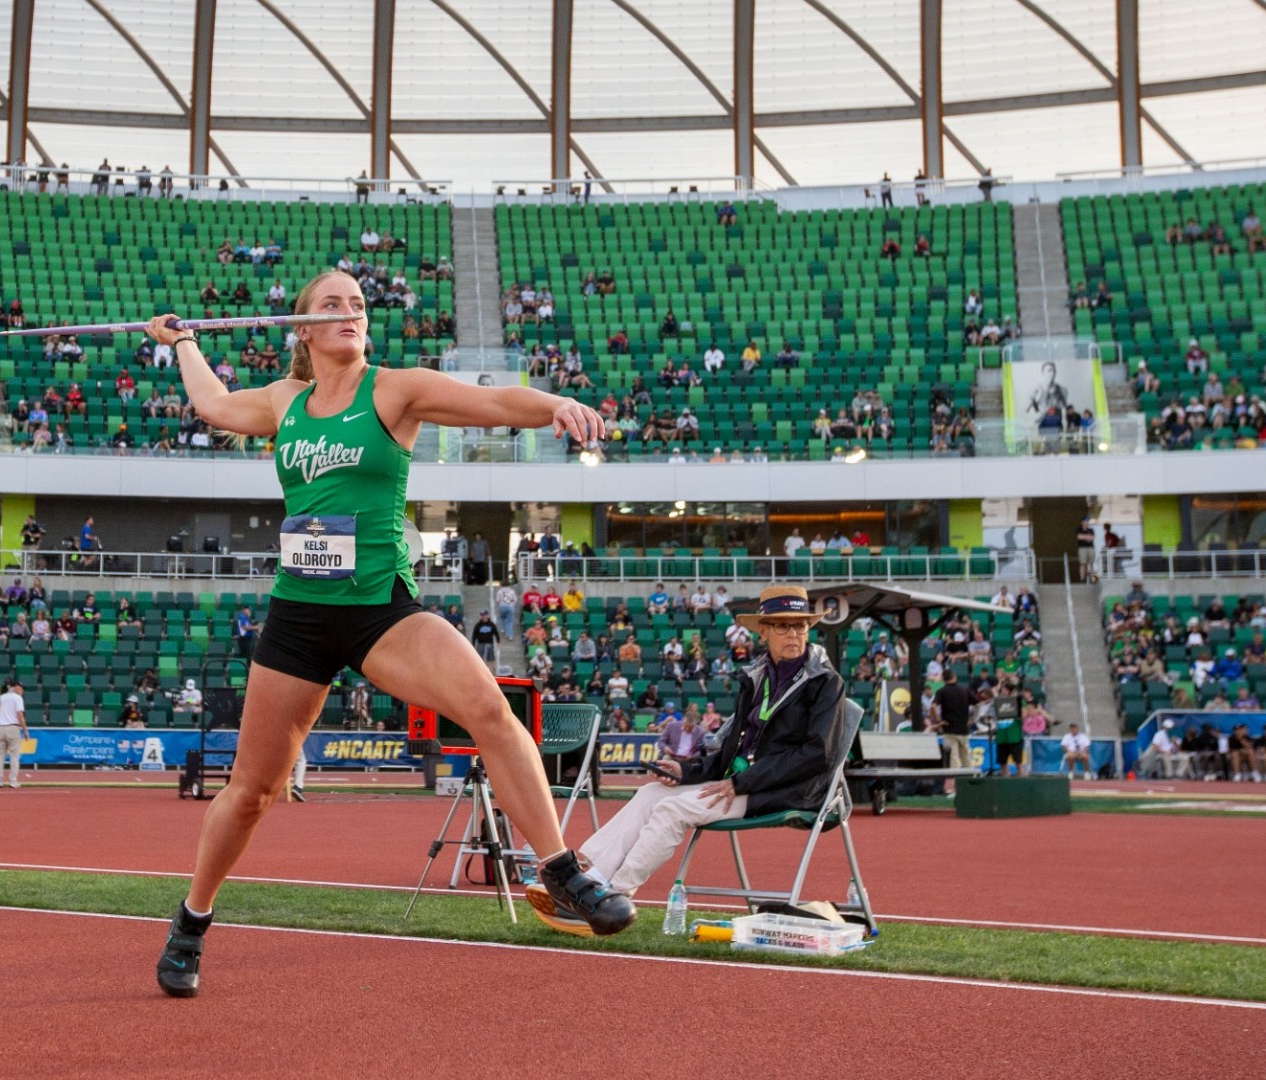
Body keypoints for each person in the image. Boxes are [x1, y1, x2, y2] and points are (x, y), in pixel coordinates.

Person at [144, 269, 629, 996]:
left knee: (492, 711)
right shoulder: (286, 401)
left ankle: (561, 872)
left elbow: (493, 401)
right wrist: (181, 342)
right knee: (252, 791)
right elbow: (212, 403)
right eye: (331, 305)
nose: (350, 312)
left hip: (379, 611)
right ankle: (191, 922)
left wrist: (554, 403)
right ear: (302, 330)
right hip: (298, 617)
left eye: (358, 305)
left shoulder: (394, 390)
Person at [533, 585, 842, 934]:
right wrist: (686, 771)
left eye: (800, 626)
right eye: (783, 626)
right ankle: (588, 877)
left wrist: (742, 782)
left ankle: (611, 895)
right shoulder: (757, 678)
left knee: (672, 810)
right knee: (649, 795)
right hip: (742, 781)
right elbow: (730, 754)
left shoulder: (825, 682)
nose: (794, 634)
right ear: (764, 631)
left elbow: (818, 754)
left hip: (786, 789)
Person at [932, 668, 972, 791]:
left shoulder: (942, 691)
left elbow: (933, 706)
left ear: (944, 679)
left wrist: (939, 720)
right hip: (963, 730)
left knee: (953, 760)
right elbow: (980, 704)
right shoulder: (965, 691)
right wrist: (973, 719)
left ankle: (953, 788)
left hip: (949, 730)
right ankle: (969, 786)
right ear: (954, 677)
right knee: (966, 758)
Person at [0, 678, 28, 788]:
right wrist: (25, 730)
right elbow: (20, 715)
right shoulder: (17, 698)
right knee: (14, 755)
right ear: (15, 687)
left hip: (1, 727)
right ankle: (12, 780)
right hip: (13, 727)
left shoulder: (1, 697)